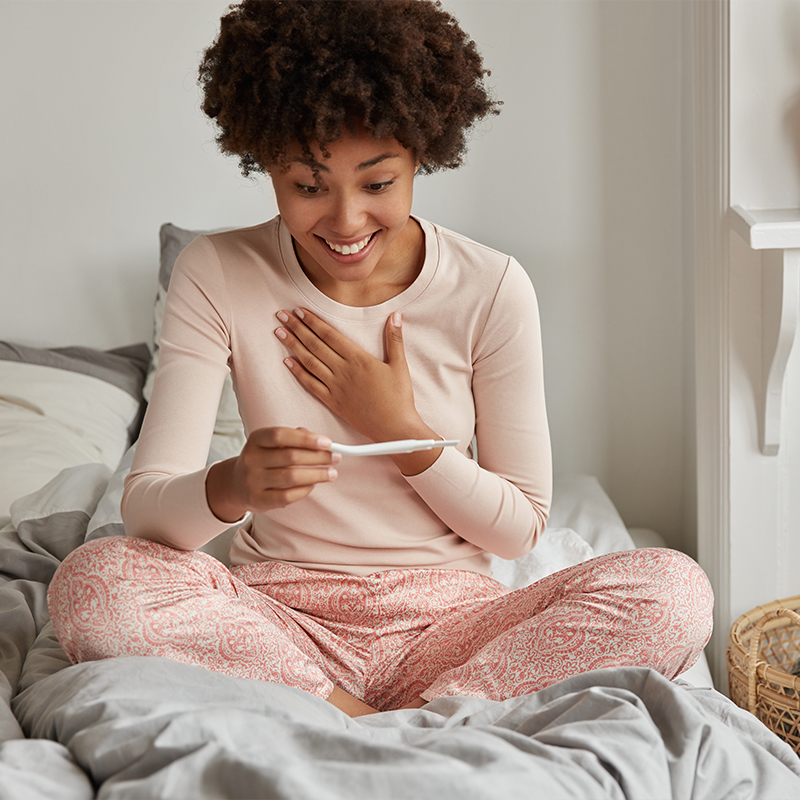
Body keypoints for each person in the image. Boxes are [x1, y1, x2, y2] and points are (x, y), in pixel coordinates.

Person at [48, 0, 713, 718]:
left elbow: (519, 527)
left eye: (377, 183)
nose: (344, 221)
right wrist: (234, 482)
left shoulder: (491, 287)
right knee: (95, 582)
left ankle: (418, 710)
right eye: (308, 185)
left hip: (453, 629)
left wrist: (401, 429)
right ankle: (390, 721)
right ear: (264, 158)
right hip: (280, 622)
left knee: (676, 592)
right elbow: (146, 513)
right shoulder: (216, 270)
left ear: (421, 153)